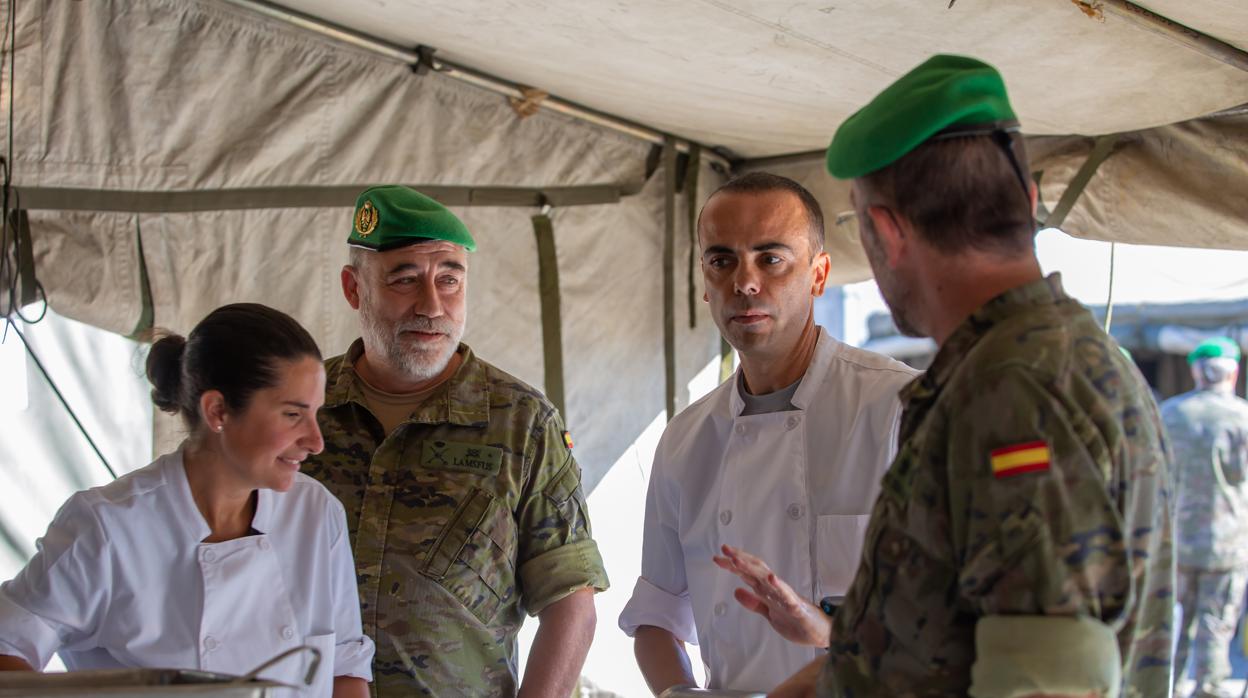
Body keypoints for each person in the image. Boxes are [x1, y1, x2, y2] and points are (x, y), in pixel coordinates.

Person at [770, 54, 1174, 697]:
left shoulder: (1019, 391)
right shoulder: (1030, 364)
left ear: (885, 231)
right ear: (1030, 198)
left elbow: (1045, 684)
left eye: (857, 226)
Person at [301, 185, 609, 698]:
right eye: (405, 279)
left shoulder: (521, 422)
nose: (432, 304)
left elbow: (570, 604)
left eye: (450, 279)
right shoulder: (303, 407)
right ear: (354, 289)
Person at [617, 172, 918, 693]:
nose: (745, 282)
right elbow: (657, 615)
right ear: (705, 282)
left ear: (819, 274)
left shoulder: (898, 409)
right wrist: (677, 693)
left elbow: (952, 622)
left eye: (771, 258)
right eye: (722, 260)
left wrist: (826, 630)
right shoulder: (686, 440)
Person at [0, 303, 374, 697]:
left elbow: (343, 671)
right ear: (217, 411)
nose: (316, 441)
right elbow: (7, 648)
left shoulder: (315, 513)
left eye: (315, 413)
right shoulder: (107, 527)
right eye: (293, 415)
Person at [1162, 337, 1248, 698]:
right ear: (1234, 373)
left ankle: (1170, 686)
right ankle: (1209, 688)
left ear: (1196, 371)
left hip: (1175, 543)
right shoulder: (1243, 417)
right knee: (1216, 623)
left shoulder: (1167, 414)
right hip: (1227, 545)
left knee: (1172, 624)